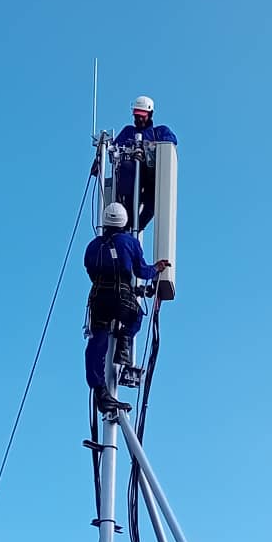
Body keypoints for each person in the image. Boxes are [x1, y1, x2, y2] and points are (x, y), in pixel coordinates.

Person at [84, 202, 170, 413]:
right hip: (121, 296)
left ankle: (100, 392)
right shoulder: (129, 242)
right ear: (124, 222)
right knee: (136, 317)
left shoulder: (93, 246)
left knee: (98, 342)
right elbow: (141, 271)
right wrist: (156, 269)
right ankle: (123, 343)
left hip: (98, 299)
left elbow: (90, 270)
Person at [114, 96, 177, 232]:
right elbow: (115, 148)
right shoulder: (128, 132)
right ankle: (128, 221)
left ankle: (136, 228)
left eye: (142, 116)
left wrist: (147, 147)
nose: (139, 119)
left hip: (150, 179)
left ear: (150, 114)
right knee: (127, 173)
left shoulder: (159, 132)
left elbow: (171, 143)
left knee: (152, 204)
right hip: (131, 180)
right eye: (137, 116)